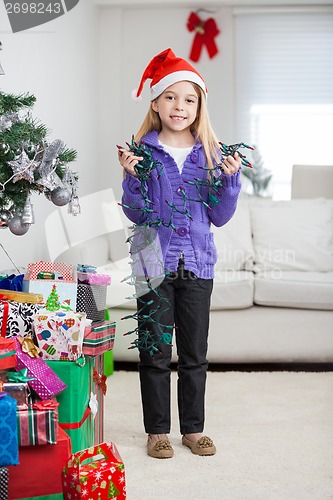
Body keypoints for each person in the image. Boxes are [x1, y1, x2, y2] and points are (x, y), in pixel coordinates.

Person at [118, 48, 241, 459]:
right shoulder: (143, 152)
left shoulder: (210, 154)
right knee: (155, 351)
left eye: (189, 99)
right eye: (171, 96)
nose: (180, 106)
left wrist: (230, 181)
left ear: (199, 107)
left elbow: (220, 217)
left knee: (194, 353)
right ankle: (157, 431)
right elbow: (137, 213)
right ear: (155, 102)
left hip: (198, 264)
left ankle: (193, 429)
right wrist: (133, 179)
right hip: (151, 264)